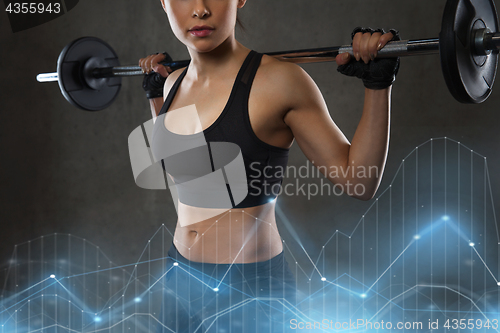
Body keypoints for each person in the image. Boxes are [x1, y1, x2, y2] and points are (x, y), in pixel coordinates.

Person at [138, 0, 399, 331]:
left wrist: (377, 85)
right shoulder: (172, 82)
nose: (200, 9)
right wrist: (155, 99)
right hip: (180, 277)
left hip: (249, 290)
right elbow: (182, 170)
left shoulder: (280, 81)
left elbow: (358, 181)